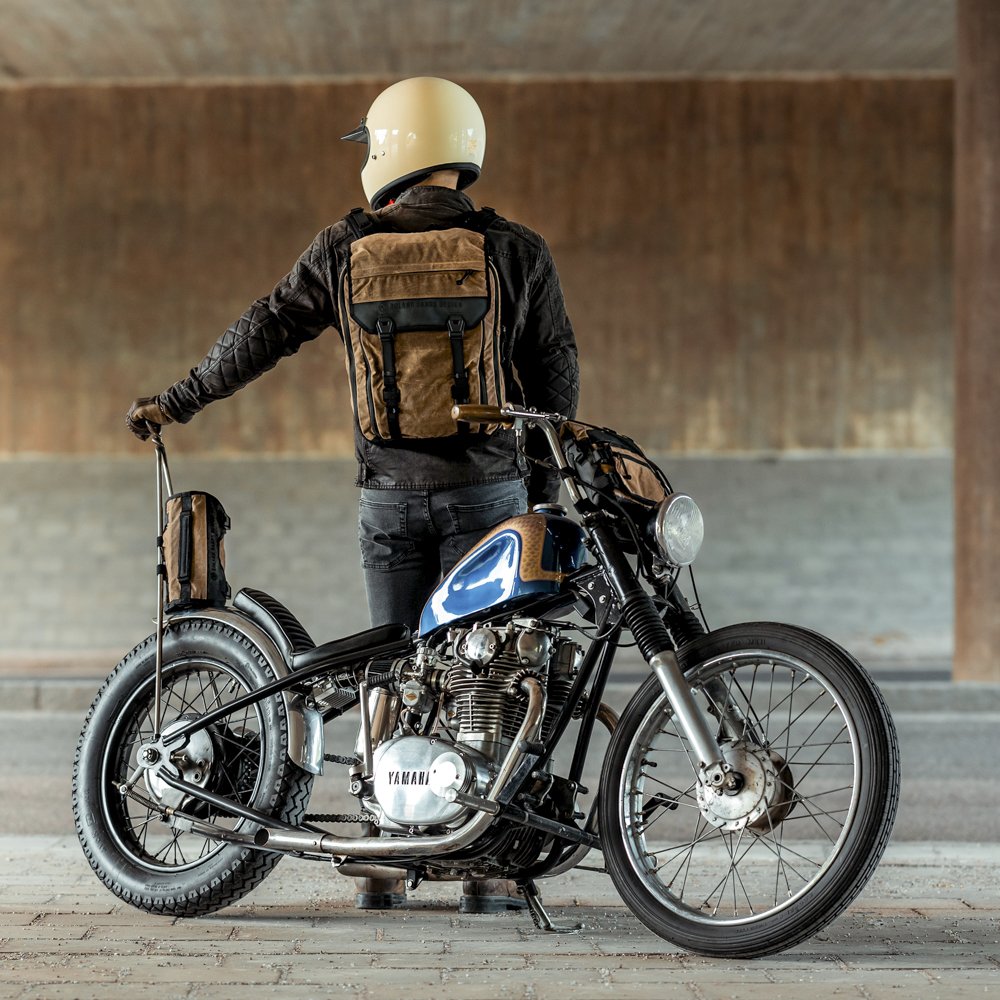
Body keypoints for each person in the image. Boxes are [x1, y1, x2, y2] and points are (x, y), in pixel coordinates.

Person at [126, 77, 580, 913]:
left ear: (388, 150)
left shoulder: (346, 246)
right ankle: (489, 863)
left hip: (389, 499)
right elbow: (556, 374)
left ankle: (382, 856)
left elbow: (264, 329)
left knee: (390, 668)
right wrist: (539, 493)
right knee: (500, 673)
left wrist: (182, 397)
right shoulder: (516, 250)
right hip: (492, 496)